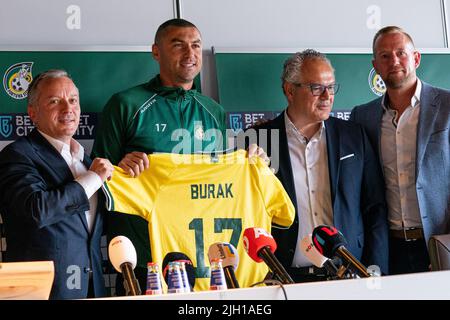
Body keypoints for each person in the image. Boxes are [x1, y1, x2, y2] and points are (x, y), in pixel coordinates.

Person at [92, 18, 268, 294]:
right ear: (156, 52)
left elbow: (219, 182)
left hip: (204, 263)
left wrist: (250, 162)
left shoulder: (213, 111)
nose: (190, 53)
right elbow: (99, 178)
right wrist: (118, 167)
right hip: (143, 261)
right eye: (178, 45)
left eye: (196, 45)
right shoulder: (125, 104)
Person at [248, 49, 389, 282]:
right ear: (289, 90)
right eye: (316, 88)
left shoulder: (354, 136)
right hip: (281, 277)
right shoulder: (257, 140)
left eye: (331, 87)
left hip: (349, 273)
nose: (327, 96)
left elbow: (375, 207)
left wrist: (375, 268)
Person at [0, 69, 114, 299]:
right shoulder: (17, 155)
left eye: (73, 100)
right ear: (32, 112)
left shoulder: (88, 161)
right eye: (55, 101)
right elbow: (37, 210)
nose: (67, 108)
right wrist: (92, 180)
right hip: (42, 292)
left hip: (93, 290)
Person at [350, 26, 450, 275]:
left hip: (440, 242)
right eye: (384, 56)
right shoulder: (362, 116)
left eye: (400, 53)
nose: (393, 61)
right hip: (387, 248)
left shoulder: (447, 106)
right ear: (375, 65)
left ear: (415, 58)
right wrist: (266, 130)